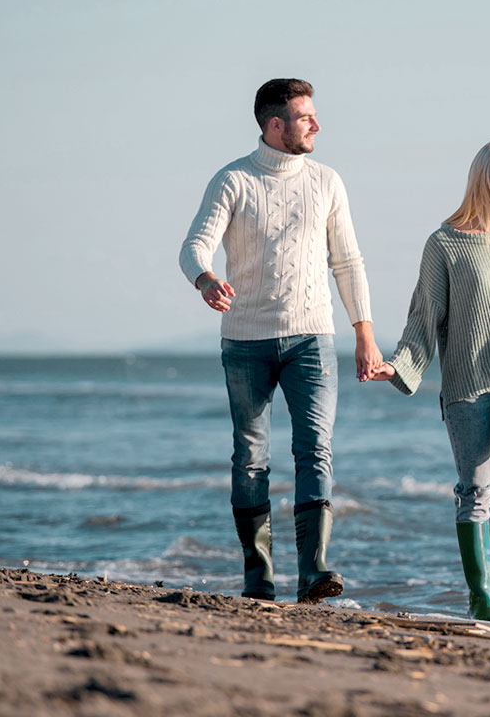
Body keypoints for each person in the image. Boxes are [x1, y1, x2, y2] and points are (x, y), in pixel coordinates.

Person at [179, 78, 381, 603]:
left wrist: (365, 333)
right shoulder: (233, 180)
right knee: (250, 456)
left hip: (312, 338)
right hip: (245, 341)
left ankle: (314, 571)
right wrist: (204, 280)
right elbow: (194, 246)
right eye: (305, 116)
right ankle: (259, 575)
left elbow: (348, 261)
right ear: (276, 124)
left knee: (316, 449)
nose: (316, 124)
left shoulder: (327, 181)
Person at [370, 140, 490, 623]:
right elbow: (425, 314)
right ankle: (481, 599)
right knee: (475, 488)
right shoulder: (443, 244)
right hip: (467, 380)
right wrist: (400, 365)